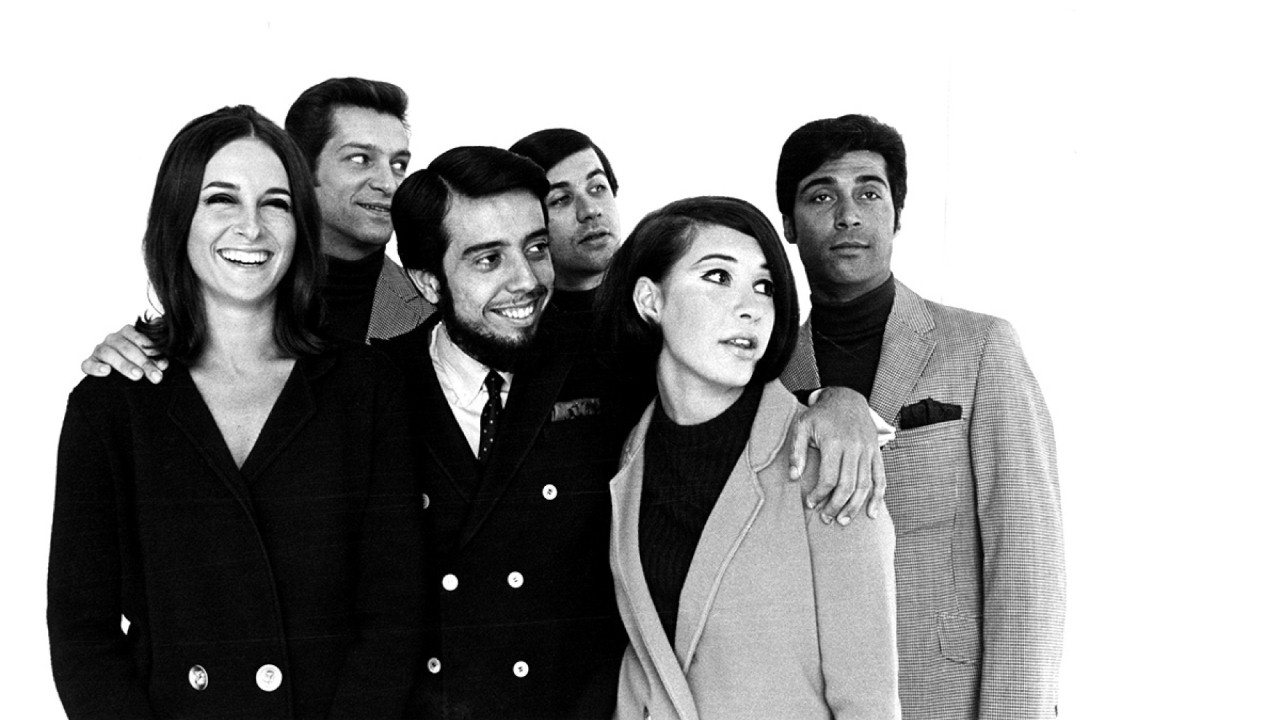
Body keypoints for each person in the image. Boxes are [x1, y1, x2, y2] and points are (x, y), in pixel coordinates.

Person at [47, 106, 424, 720]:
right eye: (222, 199)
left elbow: (393, 616)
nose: (251, 227)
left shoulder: (366, 387)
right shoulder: (112, 403)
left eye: (275, 204)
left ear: (300, 226)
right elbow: (81, 633)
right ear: (178, 219)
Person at [775, 114, 1065, 719]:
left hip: (941, 698)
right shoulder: (769, 379)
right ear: (789, 225)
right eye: (821, 195)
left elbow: (1027, 566)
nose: (847, 215)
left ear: (897, 214)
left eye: (869, 193)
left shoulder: (980, 350)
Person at [596, 196, 900, 720]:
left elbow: (868, 699)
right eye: (718, 277)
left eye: (764, 286)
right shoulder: (630, 454)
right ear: (650, 299)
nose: (752, 307)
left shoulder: (825, 456)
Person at [378, 146, 629, 719]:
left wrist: (825, 399)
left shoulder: (610, 367)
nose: (527, 281)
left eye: (536, 249)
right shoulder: (373, 388)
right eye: (489, 260)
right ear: (428, 282)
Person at [80, 77, 433, 382]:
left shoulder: (435, 310)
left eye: (398, 164)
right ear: (300, 168)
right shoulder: (242, 278)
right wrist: (133, 351)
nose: (389, 183)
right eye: (360, 159)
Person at [509, 128, 622, 313]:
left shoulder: (662, 291)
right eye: (561, 199)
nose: (590, 211)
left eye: (597, 187)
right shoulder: (520, 321)